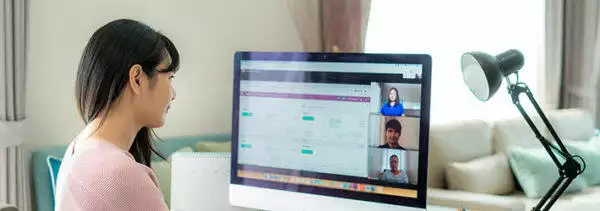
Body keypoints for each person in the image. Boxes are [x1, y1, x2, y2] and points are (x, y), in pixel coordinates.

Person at [54, 19, 179, 211]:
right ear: (137, 78)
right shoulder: (119, 173)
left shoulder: (79, 147)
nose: (173, 94)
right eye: (169, 78)